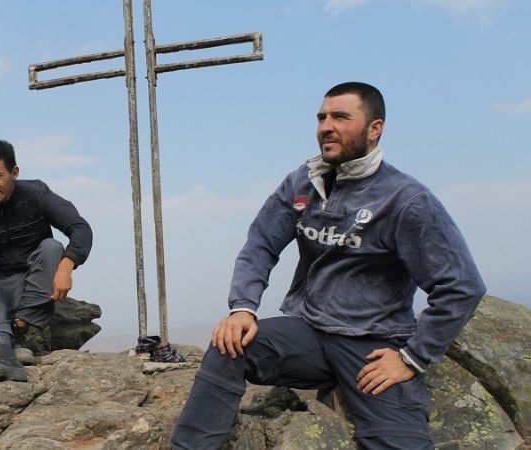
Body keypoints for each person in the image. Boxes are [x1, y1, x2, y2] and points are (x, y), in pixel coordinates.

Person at [171, 82, 485, 449]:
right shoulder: (303, 182)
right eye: (322, 117)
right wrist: (243, 308)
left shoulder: (405, 199)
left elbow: (462, 286)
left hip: (372, 346)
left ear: (374, 128)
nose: (326, 126)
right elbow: (261, 243)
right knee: (229, 347)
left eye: (341, 117)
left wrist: (412, 357)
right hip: (309, 334)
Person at [0, 140, 92, 386]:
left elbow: (80, 228)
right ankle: (7, 355)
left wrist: (67, 265)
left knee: (52, 247)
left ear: (14, 172)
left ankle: (15, 332)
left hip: (34, 281)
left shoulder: (36, 193)